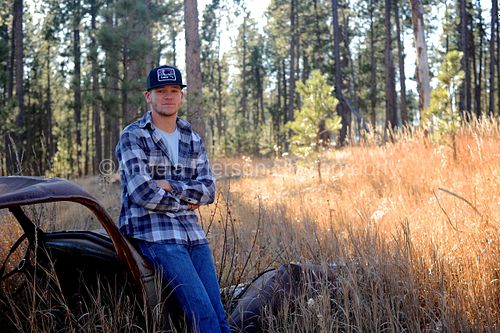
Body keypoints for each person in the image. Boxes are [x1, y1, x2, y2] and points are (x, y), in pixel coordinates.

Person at [115, 65, 230, 333]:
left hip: (193, 234)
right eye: (161, 91)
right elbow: (142, 193)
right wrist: (186, 200)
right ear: (148, 96)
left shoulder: (191, 137)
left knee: (219, 314)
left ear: (181, 96)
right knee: (203, 316)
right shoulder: (133, 136)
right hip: (155, 235)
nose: (168, 96)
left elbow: (209, 190)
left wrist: (168, 185)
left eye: (174, 90)